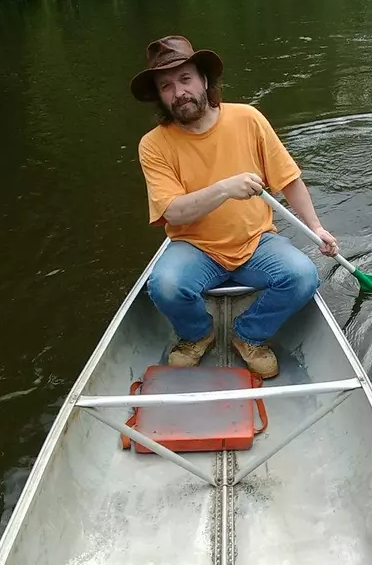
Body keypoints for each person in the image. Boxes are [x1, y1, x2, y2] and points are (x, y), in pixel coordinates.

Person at [131, 35, 339, 379]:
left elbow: (289, 180)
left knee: (303, 276)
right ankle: (198, 334)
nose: (178, 92)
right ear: (159, 96)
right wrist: (226, 188)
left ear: (205, 81)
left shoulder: (248, 119)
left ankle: (249, 335)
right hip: (195, 246)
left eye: (185, 79)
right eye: (166, 86)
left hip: (256, 241)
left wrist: (316, 228)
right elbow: (174, 212)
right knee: (164, 285)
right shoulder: (153, 145)